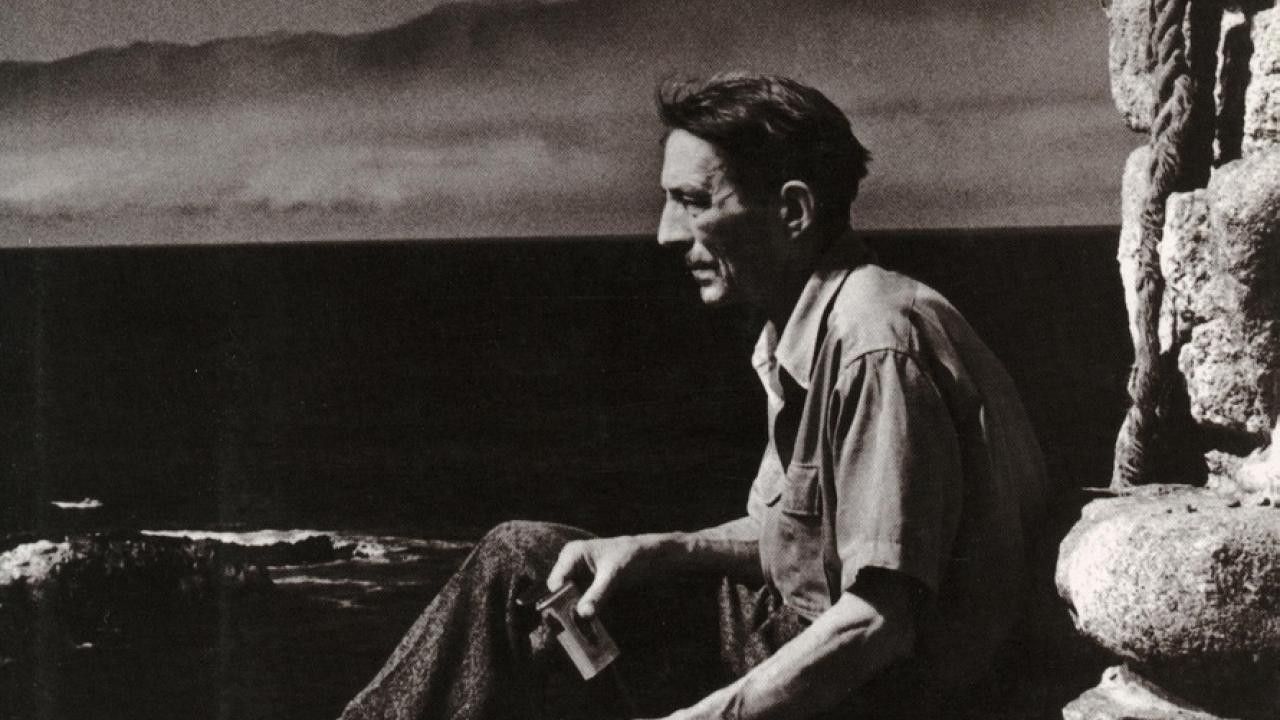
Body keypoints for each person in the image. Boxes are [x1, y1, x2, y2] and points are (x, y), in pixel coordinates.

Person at [339, 73, 1048, 720]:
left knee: (517, 575)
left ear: (793, 211)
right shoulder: (813, 328)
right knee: (528, 566)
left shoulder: (872, 345)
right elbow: (794, 540)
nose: (665, 233)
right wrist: (647, 550)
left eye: (692, 201)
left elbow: (878, 622)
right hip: (802, 640)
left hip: (873, 694)